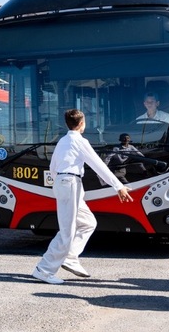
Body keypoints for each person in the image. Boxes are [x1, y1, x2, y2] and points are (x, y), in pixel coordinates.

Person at [32, 109, 133, 284]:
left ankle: (70, 257)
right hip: (71, 183)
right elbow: (98, 165)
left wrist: (62, 184)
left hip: (65, 183)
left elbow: (53, 166)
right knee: (67, 231)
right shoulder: (80, 141)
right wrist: (118, 186)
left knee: (88, 223)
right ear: (82, 124)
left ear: (67, 124)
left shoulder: (62, 141)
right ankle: (44, 269)